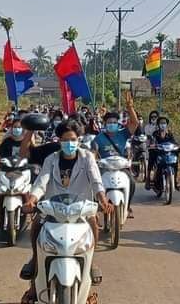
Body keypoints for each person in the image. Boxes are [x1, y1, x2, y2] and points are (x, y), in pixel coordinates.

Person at [20, 120, 112, 303]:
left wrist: (103, 199)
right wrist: (32, 199)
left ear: (78, 140)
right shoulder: (51, 159)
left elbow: (96, 181)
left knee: (93, 223)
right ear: (59, 140)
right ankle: (35, 261)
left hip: (81, 209)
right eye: (65, 140)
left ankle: (90, 261)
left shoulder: (87, 158)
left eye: (72, 139)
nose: (69, 143)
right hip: (53, 208)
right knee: (37, 224)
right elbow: (41, 182)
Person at [91, 97, 140, 217]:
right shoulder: (99, 138)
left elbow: (135, 123)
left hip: (121, 167)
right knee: (94, 184)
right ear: (105, 124)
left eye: (114, 122)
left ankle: (127, 207)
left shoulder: (123, 134)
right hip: (104, 168)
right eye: (109, 122)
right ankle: (95, 209)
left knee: (132, 182)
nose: (111, 124)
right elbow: (93, 152)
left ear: (118, 124)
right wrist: (93, 160)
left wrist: (130, 108)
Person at [0, 115, 27, 209]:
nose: (17, 129)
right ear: (11, 128)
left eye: (19, 127)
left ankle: (30, 202)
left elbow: (32, 153)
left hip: (23, 168)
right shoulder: (7, 141)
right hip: (8, 167)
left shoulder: (27, 141)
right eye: (15, 127)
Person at [149, 115, 180, 191]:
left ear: (166, 124)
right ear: (158, 124)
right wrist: (153, 145)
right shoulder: (155, 133)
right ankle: (148, 178)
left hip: (168, 153)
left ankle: (175, 180)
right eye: (161, 123)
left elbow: (174, 142)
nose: (163, 124)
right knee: (151, 156)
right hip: (159, 153)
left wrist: (179, 146)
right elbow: (153, 141)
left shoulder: (169, 133)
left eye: (164, 123)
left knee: (175, 161)